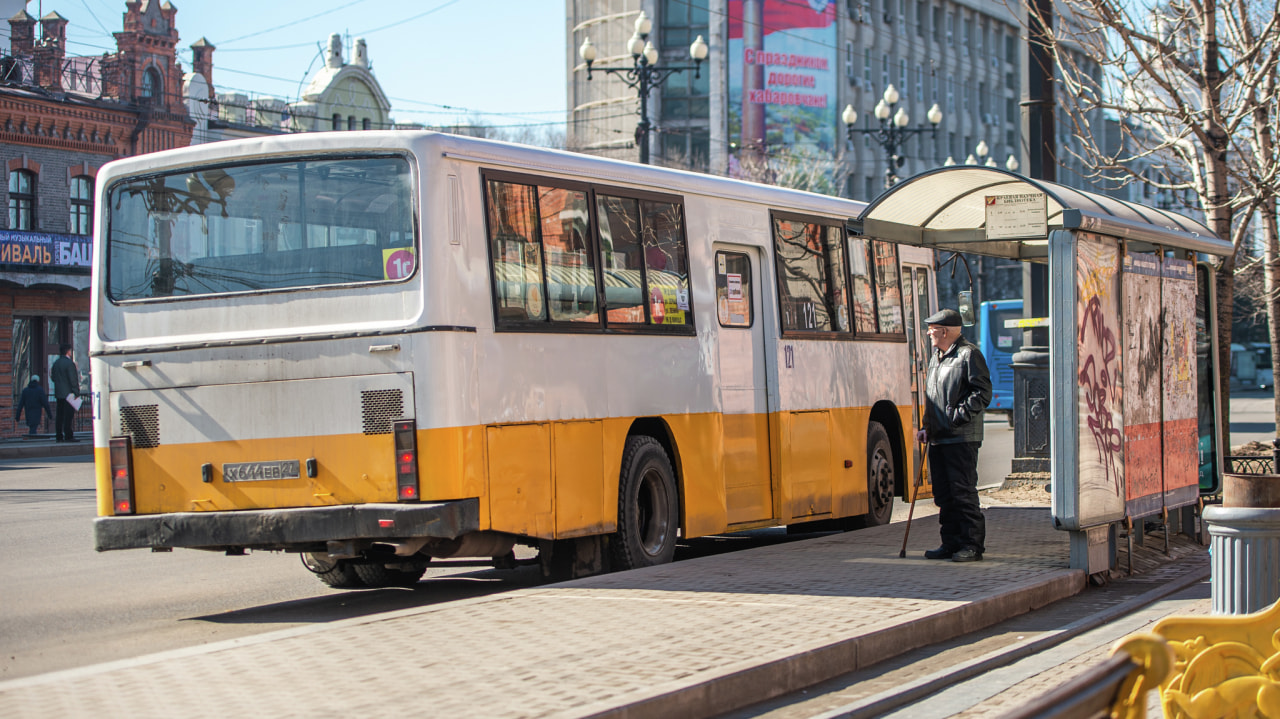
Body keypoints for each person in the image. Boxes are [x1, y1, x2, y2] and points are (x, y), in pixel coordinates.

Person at [919, 308, 992, 563]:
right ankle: (950, 543)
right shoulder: (937, 357)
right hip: (939, 437)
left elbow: (982, 392)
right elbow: (932, 398)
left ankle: (972, 545)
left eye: (932, 329)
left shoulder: (968, 354)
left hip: (961, 438)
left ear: (945, 331)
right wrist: (927, 426)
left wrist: (956, 416)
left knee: (963, 493)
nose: (928, 333)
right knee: (944, 495)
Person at [51, 343, 81, 443]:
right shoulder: (69, 364)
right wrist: (76, 392)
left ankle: (59, 435)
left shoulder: (56, 363)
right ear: (68, 351)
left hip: (59, 394)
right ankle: (68, 435)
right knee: (68, 416)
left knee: (59, 416)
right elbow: (73, 380)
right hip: (69, 394)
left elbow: (53, 378)